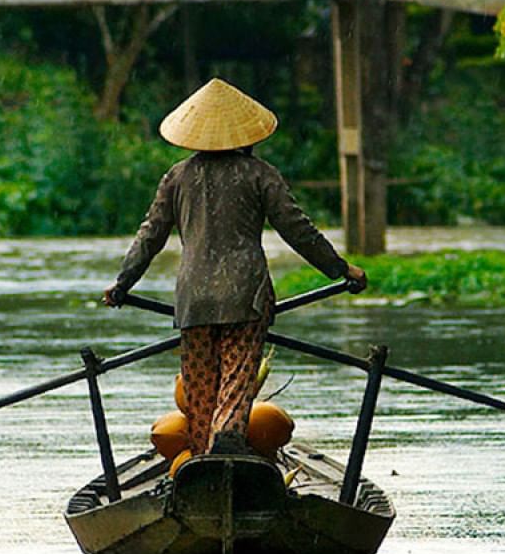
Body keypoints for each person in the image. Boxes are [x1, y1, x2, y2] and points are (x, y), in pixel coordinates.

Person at [103, 78, 368, 457]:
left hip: (193, 299)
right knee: (236, 378)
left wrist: (122, 283)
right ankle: (227, 437)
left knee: (199, 389)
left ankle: (200, 457)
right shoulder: (259, 174)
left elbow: (151, 236)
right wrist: (341, 269)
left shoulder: (177, 177)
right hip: (246, 296)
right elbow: (298, 230)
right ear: (248, 136)